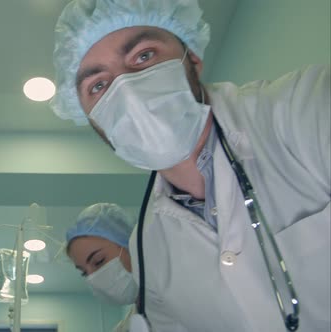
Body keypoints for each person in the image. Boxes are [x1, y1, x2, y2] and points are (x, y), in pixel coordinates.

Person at [50, 0, 330, 331]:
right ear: (93, 122)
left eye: (144, 56)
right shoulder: (149, 250)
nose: (127, 91)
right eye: (98, 86)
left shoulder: (304, 109)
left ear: (192, 60)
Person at [66, 202, 145, 332]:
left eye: (99, 261)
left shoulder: (178, 296)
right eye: (84, 273)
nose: (93, 278)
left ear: (131, 246)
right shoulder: (125, 328)